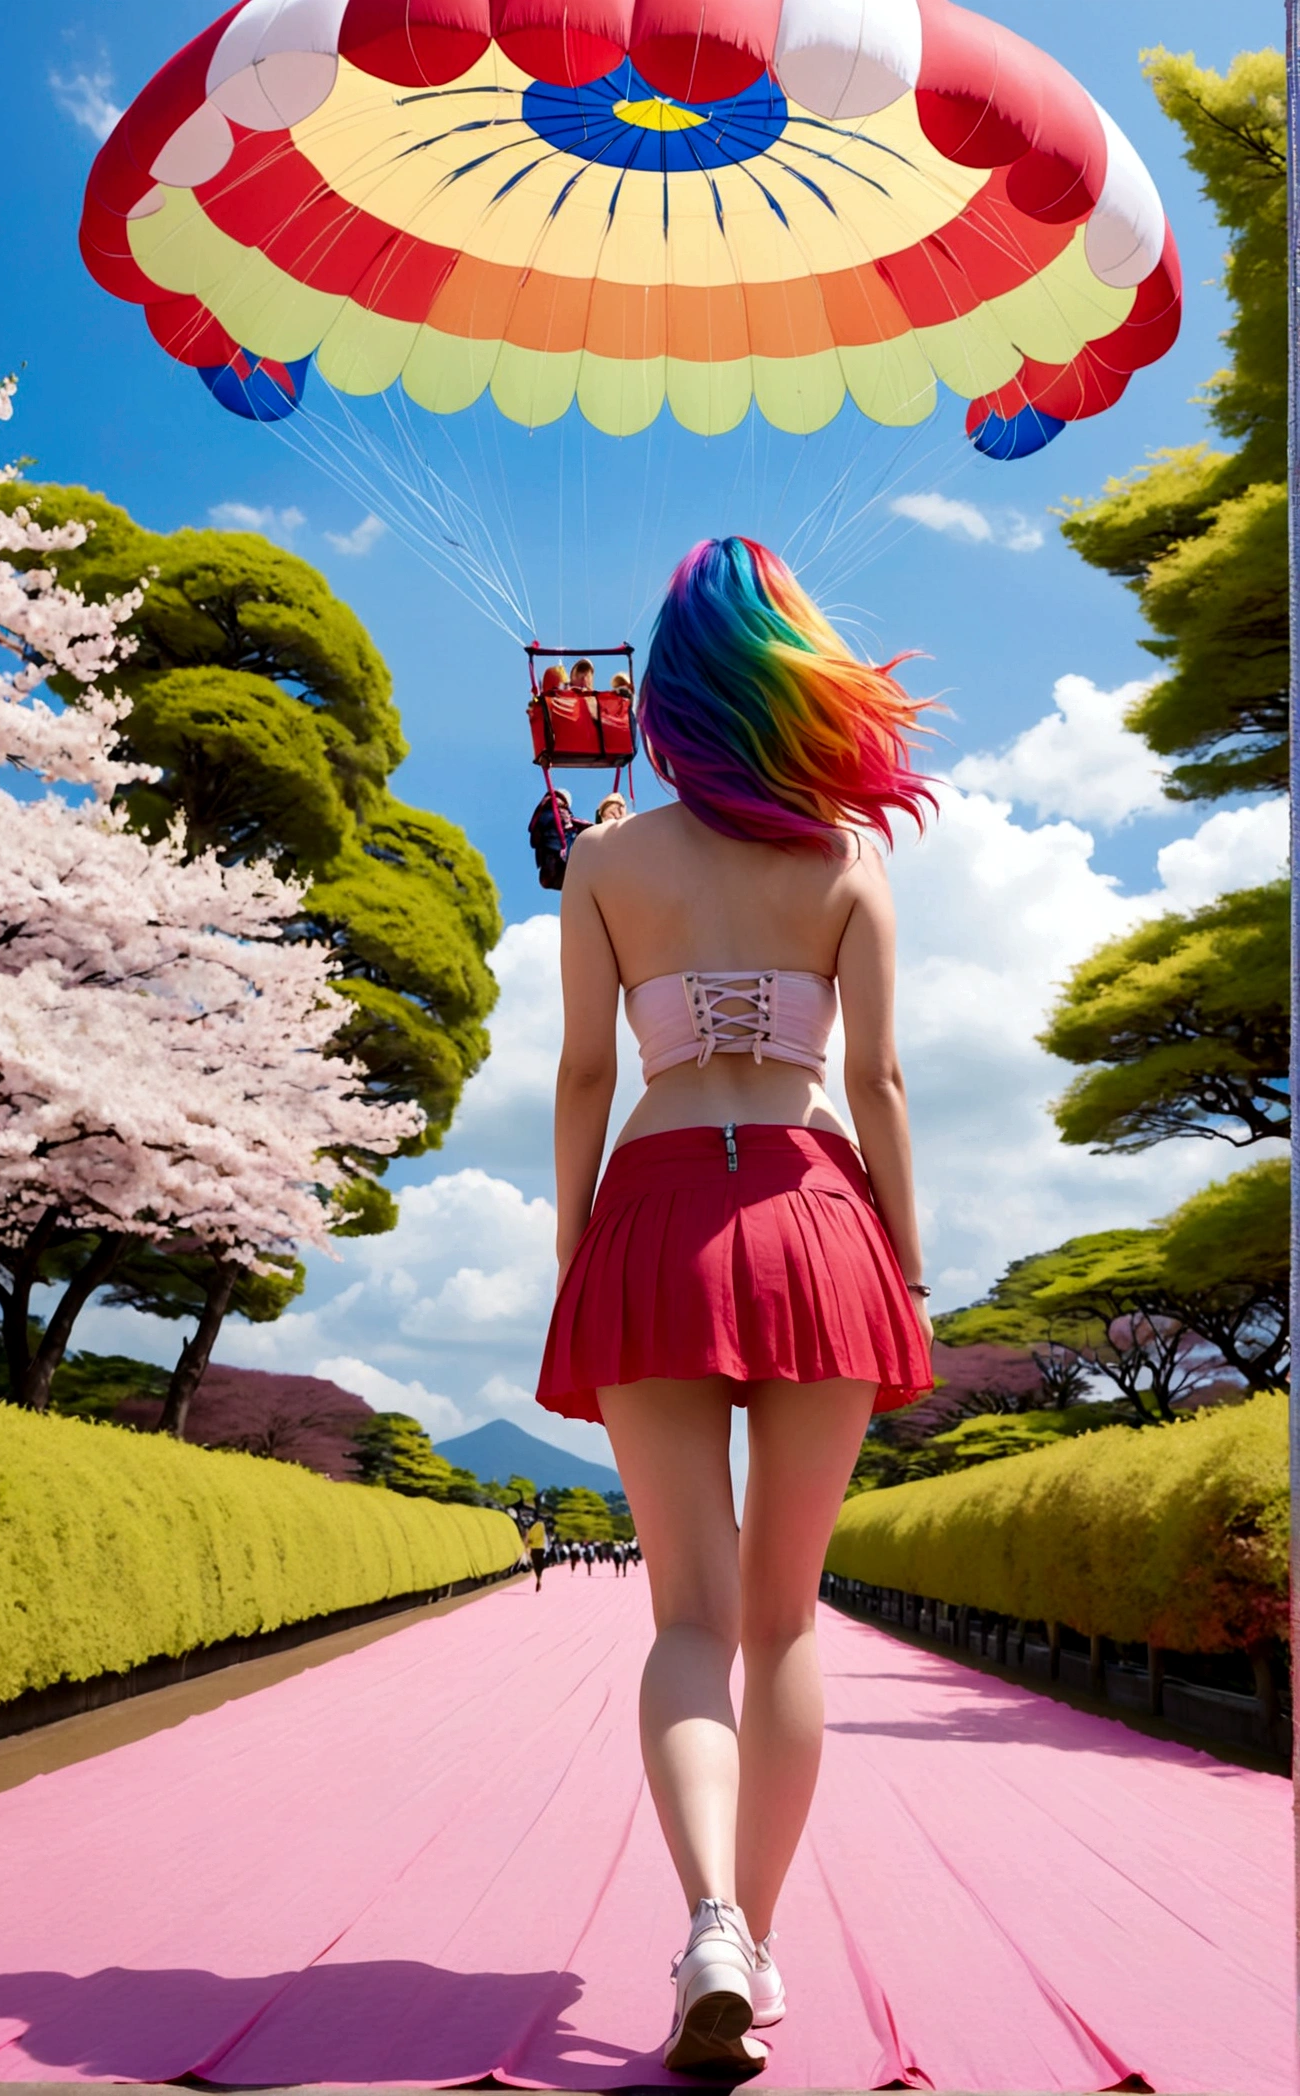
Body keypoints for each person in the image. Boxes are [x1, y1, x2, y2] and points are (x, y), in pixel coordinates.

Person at [534, 537, 934, 2078]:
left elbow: (584, 1074)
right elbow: (881, 1083)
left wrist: (578, 1243)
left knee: (687, 1614)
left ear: (669, 696)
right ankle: (752, 1943)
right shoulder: (848, 860)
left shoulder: (604, 864)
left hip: (654, 1212)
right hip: (817, 1208)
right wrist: (904, 1258)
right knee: (784, 1617)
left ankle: (704, 1918)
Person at [529, 785, 588, 892]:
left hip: (551, 848)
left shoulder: (543, 812)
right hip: (556, 848)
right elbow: (571, 823)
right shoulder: (556, 811)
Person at [525, 1507, 549, 1592]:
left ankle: (538, 1578)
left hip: (535, 1547)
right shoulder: (540, 1525)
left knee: (536, 1564)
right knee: (539, 1564)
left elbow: (531, 1537)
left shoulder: (535, 1526)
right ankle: (539, 1578)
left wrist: (528, 1543)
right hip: (540, 1547)